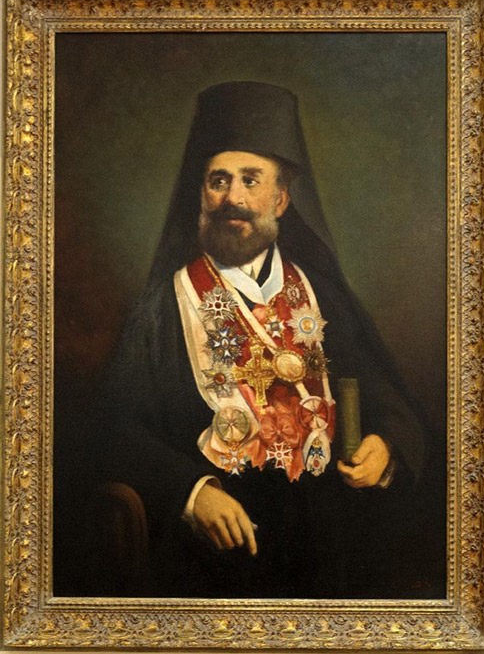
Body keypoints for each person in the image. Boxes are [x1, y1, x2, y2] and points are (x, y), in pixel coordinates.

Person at [93, 81, 427, 599]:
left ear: (281, 198)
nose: (234, 197)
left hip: (330, 540)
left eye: (251, 180)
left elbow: (384, 397)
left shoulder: (322, 295)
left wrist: (386, 445)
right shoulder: (163, 306)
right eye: (218, 181)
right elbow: (113, 430)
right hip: (216, 555)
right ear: (201, 195)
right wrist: (193, 492)